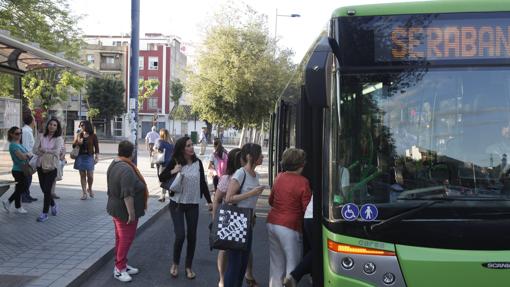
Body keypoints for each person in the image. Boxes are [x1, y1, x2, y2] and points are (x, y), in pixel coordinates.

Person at [159, 136, 212, 280]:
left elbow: (202, 183)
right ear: (182, 148)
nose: (191, 148)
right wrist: (173, 171)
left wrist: (210, 201)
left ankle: (188, 266)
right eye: (188, 146)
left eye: (191, 145)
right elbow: (161, 177)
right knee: (180, 235)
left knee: (192, 236)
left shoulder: (198, 163)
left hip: (193, 204)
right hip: (177, 204)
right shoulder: (175, 161)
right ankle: (175, 264)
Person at [267, 148, 311, 287]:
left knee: (276, 265)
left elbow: (271, 201)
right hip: (290, 226)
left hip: (272, 222)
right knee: (292, 266)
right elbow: (307, 208)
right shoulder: (303, 182)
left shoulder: (279, 177)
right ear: (301, 164)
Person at [224, 143, 266, 287]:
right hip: (237, 222)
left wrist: (253, 216)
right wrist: (252, 193)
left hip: (248, 221)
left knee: (243, 263)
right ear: (250, 157)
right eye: (260, 154)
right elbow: (228, 198)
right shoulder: (241, 173)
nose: (262, 156)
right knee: (235, 263)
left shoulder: (255, 175)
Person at [107, 140, 148, 283]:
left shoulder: (115, 163)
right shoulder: (126, 169)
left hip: (116, 209)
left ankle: (122, 264)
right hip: (124, 212)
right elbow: (127, 194)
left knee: (120, 238)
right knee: (126, 239)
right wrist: (131, 213)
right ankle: (119, 269)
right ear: (132, 152)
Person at [212, 148, 241, 287]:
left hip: (243, 216)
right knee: (224, 249)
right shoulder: (226, 178)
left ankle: (248, 273)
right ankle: (222, 279)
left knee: (244, 247)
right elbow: (217, 199)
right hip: (228, 217)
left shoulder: (246, 176)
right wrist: (214, 219)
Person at [33, 118, 64, 222]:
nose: (52, 126)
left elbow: (57, 151)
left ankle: (44, 213)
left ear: (57, 128)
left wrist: (44, 150)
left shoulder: (59, 138)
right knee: (43, 189)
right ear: (47, 125)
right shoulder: (41, 136)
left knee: (47, 190)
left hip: (52, 166)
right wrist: (46, 152)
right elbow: (35, 149)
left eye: (54, 125)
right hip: (40, 165)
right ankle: (53, 204)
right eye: (50, 124)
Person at [2, 127, 31, 214]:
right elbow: (22, 157)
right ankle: (17, 206)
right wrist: (27, 154)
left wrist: (27, 154)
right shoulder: (13, 145)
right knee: (21, 188)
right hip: (18, 170)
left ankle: (9, 202)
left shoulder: (19, 144)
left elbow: (28, 154)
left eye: (20, 133)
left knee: (21, 188)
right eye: (17, 133)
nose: (19, 135)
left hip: (23, 169)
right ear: (11, 134)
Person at [73, 120, 99, 200]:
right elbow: (73, 146)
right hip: (80, 156)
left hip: (89, 156)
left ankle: (90, 188)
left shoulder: (93, 135)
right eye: (80, 125)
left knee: (90, 175)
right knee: (82, 175)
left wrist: (96, 157)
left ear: (87, 126)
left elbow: (96, 147)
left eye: (83, 125)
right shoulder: (79, 134)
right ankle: (84, 193)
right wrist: (78, 142)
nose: (81, 127)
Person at [154, 128, 174, 202]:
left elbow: (156, 149)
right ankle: (168, 195)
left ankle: (162, 196)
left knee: (162, 179)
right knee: (168, 179)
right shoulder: (171, 143)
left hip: (163, 164)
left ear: (161, 134)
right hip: (171, 164)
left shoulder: (159, 141)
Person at [21, 114, 37, 202]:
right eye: (34, 120)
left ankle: (27, 195)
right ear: (31, 121)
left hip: (29, 157)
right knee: (27, 178)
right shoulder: (26, 131)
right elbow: (26, 146)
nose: (35, 122)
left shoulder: (28, 130)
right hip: (27, 157)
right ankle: (24, 196)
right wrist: (30, 157)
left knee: (28, 177)